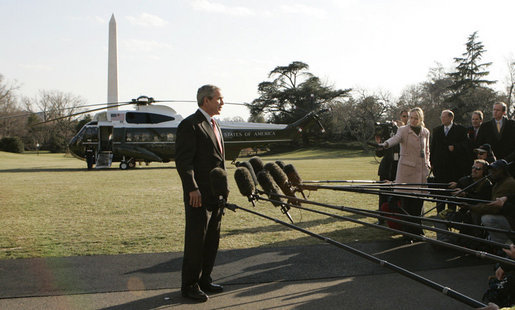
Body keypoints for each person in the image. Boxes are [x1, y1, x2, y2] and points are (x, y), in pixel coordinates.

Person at [175, 84, 226, 302]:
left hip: (217, 195)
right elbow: (184, 162)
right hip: (199, 195)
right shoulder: (190, 125)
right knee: (196, 241)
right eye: (219, 99)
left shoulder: (214, 124)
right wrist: (192, 188)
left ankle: (205, 279)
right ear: (206, 100)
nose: (222, 102)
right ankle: (189, 286)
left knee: (212, 240)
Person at [380, 107, 431, 235]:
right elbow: (395, 139)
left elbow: (427, 150)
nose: (413, 120)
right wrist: (385, 144)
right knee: (407, 204)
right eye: (411, 117)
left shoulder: (425, 132)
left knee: (418, 204)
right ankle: (408, 232)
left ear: (420, 119)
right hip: (407, 172)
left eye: (416, 118)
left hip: (421, 171)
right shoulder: (403, 130)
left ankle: (418, 230)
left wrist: (428, 164)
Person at [435, 159, 492, 243]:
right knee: (439, 217)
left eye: (478, 169)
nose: (474, 170)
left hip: (476, 216)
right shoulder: (465, 180)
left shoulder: (487, 184)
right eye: (473, 167)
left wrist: (465, 195)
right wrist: (455, 189)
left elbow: (481, 200)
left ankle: (475, 239)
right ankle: (443, 240)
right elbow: (454, 191)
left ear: (484, 171)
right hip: (463, 214)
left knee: (475, 217)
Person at [468, 160, 515, 245]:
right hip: (505, 216)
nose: (492, 172)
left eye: (495, 170)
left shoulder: (508, 183)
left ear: (503, 171)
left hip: (511, 220)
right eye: (491, 170)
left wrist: (471, 207)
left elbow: (494, 208)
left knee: (487, 219)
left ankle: (504, 245)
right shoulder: (498, 183)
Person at [374, 110, 406, 224]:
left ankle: (399, 217)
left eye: (406, 117)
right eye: (403, 117)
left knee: (398, 194)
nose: (404, 119)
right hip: (387, 167)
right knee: (383, 193)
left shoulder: (407, 133)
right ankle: (381, 218)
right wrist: (379, 145)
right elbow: (379, 154)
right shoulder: (389, 134)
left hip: (400, 167)